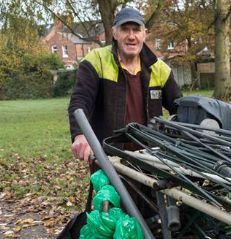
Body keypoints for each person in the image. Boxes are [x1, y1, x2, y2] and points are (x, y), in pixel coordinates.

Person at [68, 7, 182, 162]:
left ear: (145, 34)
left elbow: (180, 108)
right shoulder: (96, 60)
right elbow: (80, 100)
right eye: (125, 29)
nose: (131, 36)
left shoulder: (160, 69)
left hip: (152, 160)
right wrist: (80, 134)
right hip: (108, 158)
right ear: (114, 33)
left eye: (136, 30)